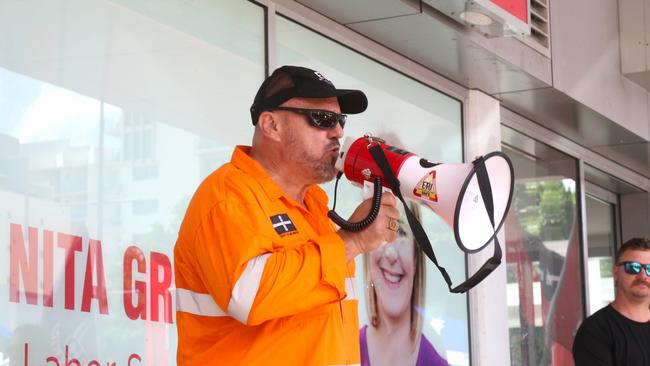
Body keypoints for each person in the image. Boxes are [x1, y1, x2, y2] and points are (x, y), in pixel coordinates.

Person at [173, 65, 400, 365]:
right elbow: (250, 296)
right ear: (272, 125)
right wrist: (352, 242)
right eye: (323, 119)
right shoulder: (228, 195)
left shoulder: (316, 206)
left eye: (340, 120)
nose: (339, 132)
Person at [360, 204, 449, 366]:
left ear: (416, 256)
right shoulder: (341, 354)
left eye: (401, 233)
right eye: (380, 231)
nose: (390, 254)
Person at [572, 237, 650, 366]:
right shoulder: (595, 330)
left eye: (649, 269)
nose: (643, 276)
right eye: (632, 267)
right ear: (616, 272)